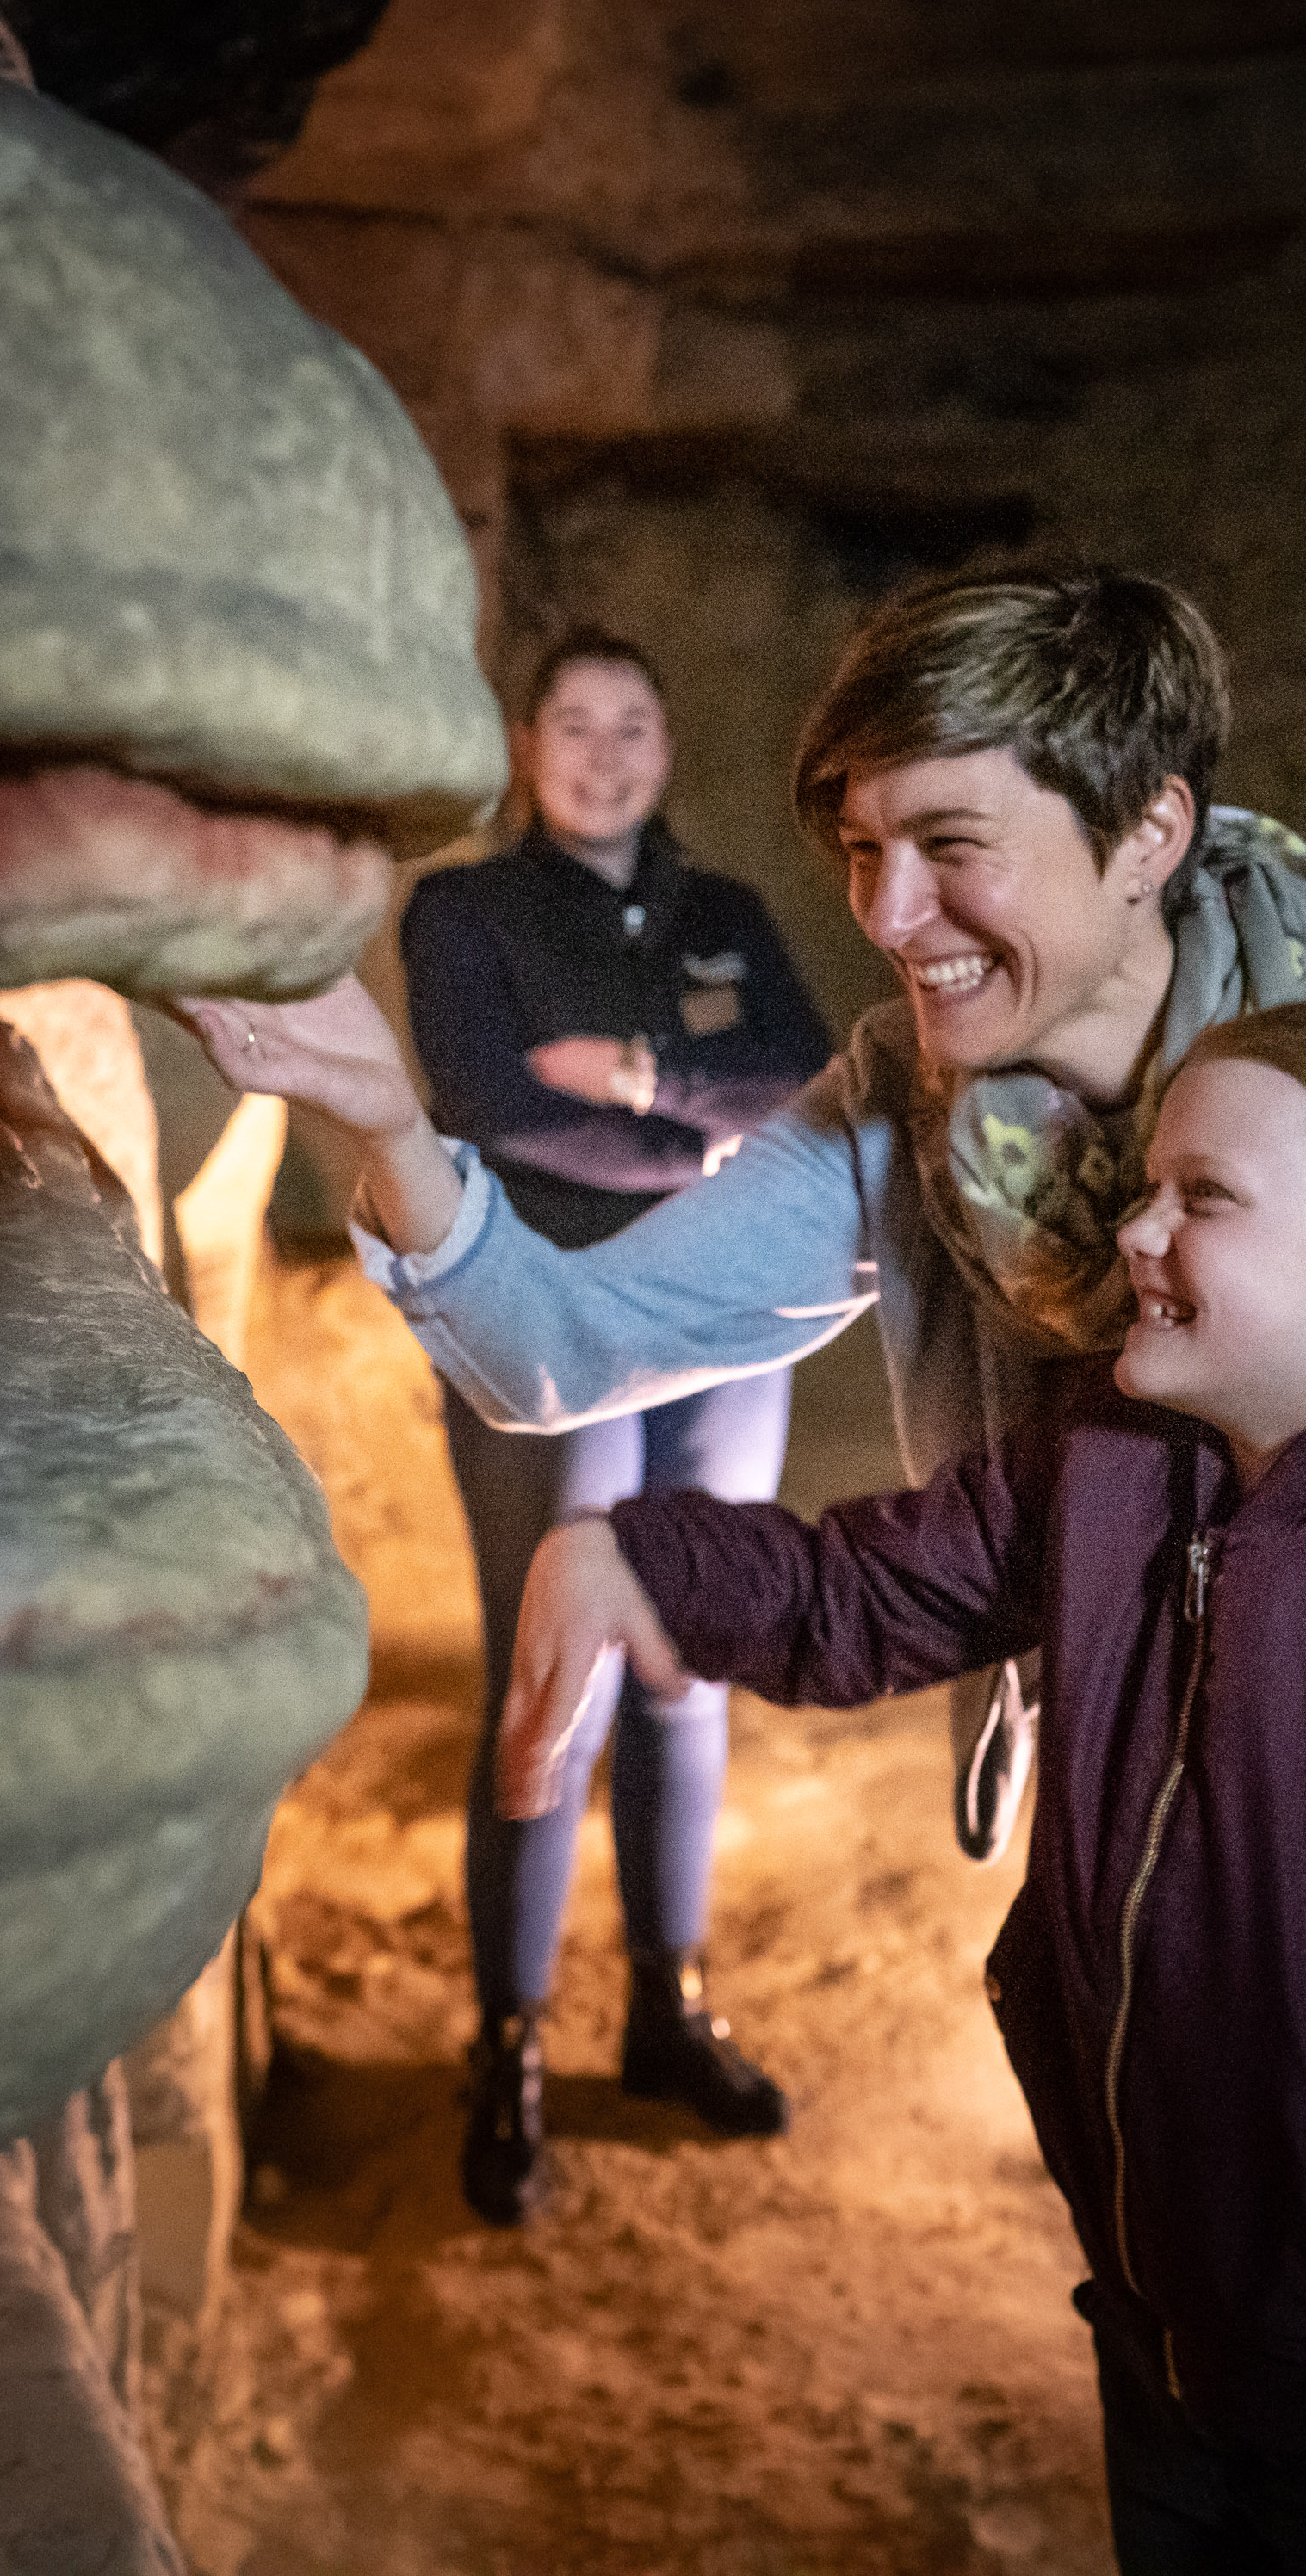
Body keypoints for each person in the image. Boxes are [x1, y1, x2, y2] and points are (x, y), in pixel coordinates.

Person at [187, 565, 1306, 2576]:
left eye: (947, 844)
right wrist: (383, 1120)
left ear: (1147, 826)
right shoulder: (912, 1100)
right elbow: (566, 1352)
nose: (884, 918)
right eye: (860, 850)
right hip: (1205, 1966)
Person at [497, 998, 1306, 2576]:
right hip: (1165, 2361)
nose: (1133, 1228)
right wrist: (634, 1554)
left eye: (1206, 1196)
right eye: (1151, 1187)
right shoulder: (1113, 1459)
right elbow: (862, 1595)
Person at [394, 631, 836, 2223]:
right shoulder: (465, 912)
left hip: (722, 1344)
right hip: (553, 1338)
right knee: (550, 1678)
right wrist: (695, 1137)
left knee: (685, 1659)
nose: (601, 753)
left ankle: (669, 2008)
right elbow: (487, 1105)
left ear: (665, 744)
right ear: (526, 748)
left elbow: (801, 1085)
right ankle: (505, 2048)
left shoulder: (721, 915)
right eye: (571, 725)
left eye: (630, 724)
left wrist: (639, 1074)